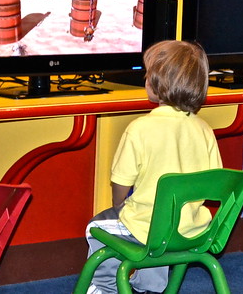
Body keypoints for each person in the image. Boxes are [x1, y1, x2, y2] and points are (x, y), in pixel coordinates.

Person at [85, 40, 222, 294]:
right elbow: (214, 183)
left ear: (158, 85)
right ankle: (151, 286)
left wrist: (118, 205)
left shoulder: (140, 128)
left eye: (148, 75)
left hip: (148, 228)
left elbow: (121, 182)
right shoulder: (204, 130)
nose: (145, 80)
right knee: (157, 222)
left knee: (96, 227)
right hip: (191, 229)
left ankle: (105, 288)